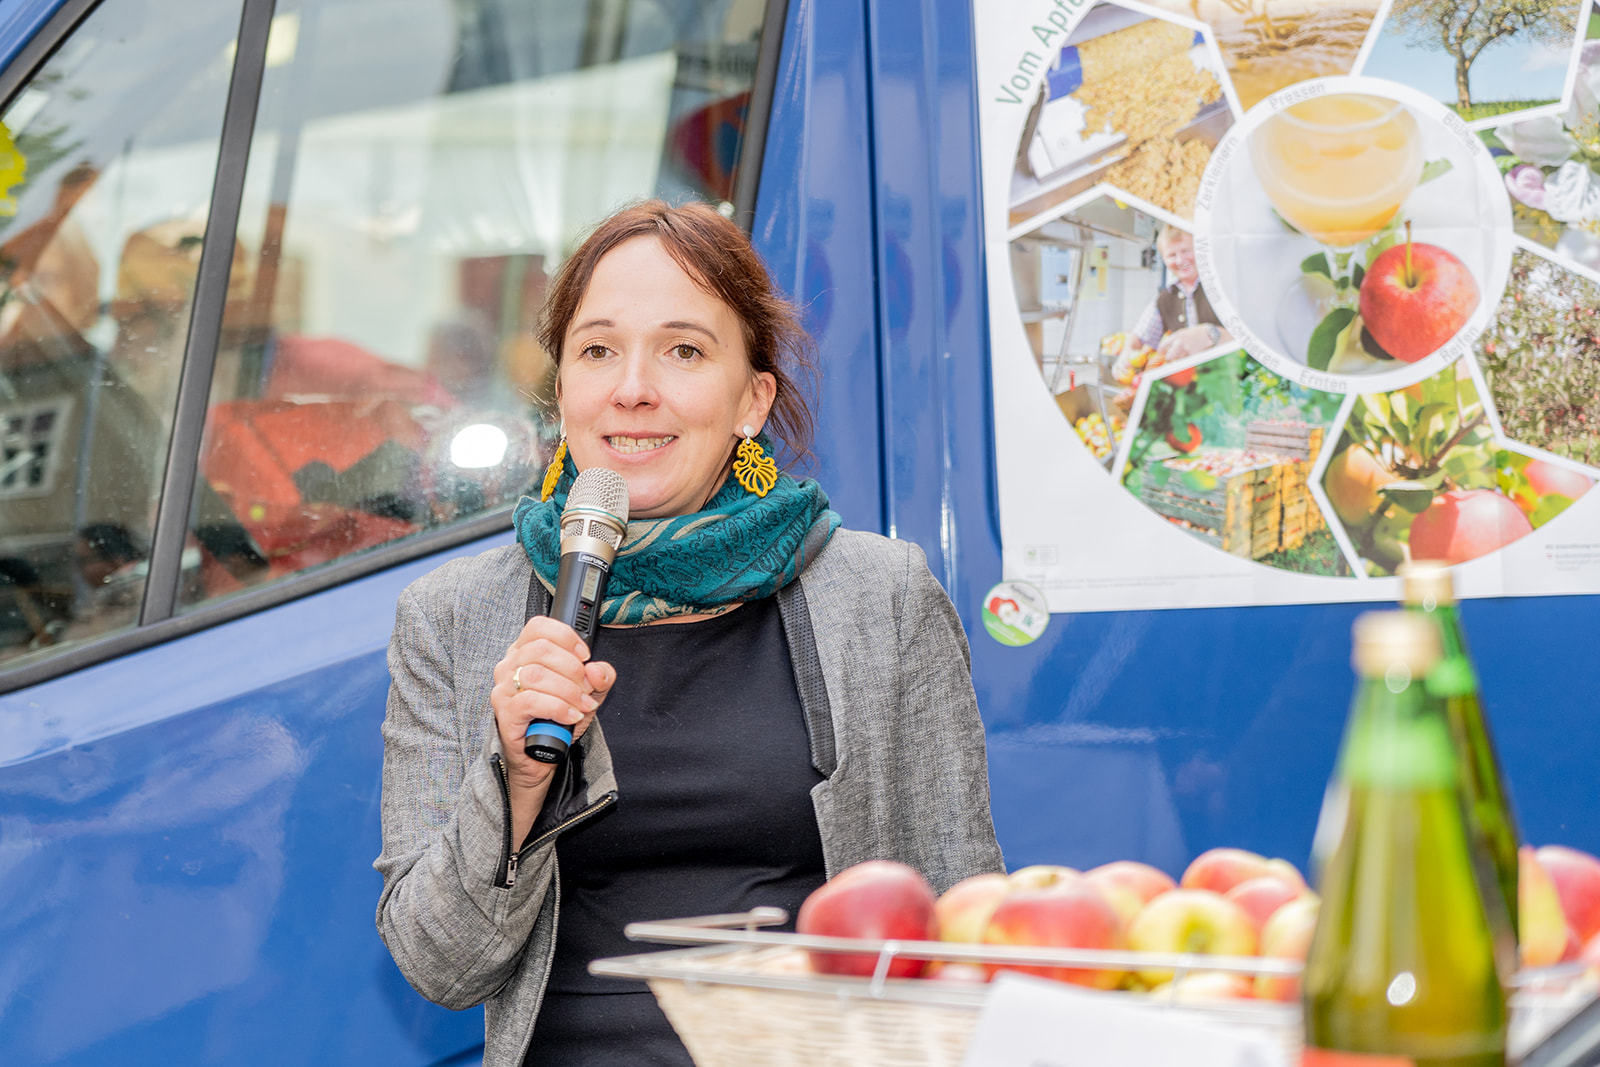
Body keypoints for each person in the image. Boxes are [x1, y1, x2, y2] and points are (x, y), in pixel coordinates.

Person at [374, 200, 1004, 1066]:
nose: (634, 386)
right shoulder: (453, 619)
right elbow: (437, 963)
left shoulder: (880, 597)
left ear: (752, 400)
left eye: (683, 350)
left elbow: (965, 916)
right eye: (598, 350)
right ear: (563, 391)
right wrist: (517, 784)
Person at [1126, 225, 1232, 370]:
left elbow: (1250, 341)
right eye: (1171, 255)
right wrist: (1126, 354)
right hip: (1188, 384)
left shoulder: (1225, 287)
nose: (1180, 260)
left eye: (1185, 251)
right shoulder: (1165, 297)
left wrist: (1211, 334)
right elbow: (1140, 337)